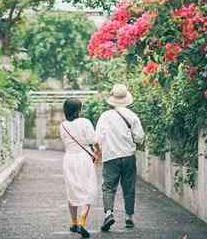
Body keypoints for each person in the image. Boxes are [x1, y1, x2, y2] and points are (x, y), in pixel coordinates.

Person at [96, 84, 145, 231]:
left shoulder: (104, 116)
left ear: (112, 99)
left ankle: (108, 214)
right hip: (128, 157)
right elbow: (140, 137)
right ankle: (129, 217)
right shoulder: (132, 116)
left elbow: (97, 138)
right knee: (129, 187)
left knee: (108, 187)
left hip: (110, 157)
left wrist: (98, 151)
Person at [60, 98, 100, 238]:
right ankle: (82, 222)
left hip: (69, 159)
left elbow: (65, 142)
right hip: (83, 158)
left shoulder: (63, 125)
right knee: (88, 188)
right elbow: (93, 140)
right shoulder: (85, 122)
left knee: (72, 189)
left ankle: (74, 222)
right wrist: (97, 152)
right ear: (79, 110)